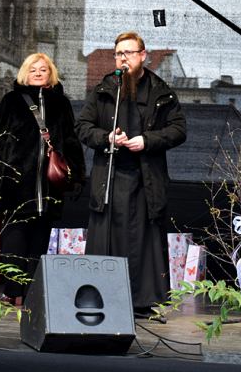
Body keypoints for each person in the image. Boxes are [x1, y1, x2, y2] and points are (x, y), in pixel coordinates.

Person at [76, 32, 186, 317]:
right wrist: (106, 137)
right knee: (107, 239)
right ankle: (102, 300)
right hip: (110, 177)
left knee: (142, 242)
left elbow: (178, 130)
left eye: (128, 53)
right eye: (118, 54)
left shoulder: (162, 91)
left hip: (144, 179)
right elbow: (83, 127)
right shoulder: (104, 89)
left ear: (142, 55)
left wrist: (146, 141)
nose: (123, 58)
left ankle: (141, 303)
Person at [0, 53, 86, 306]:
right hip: (15, 182)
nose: (38, 72)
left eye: (43, 69)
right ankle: (12, 292)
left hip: (49, 185)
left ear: (51, 74)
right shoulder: (11, 101)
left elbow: (72, 141)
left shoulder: (61, 103)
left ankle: (31, 294)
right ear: (24, 73)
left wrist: (78, 176)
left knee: (38, 244)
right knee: (14, 241)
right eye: (33, 69)